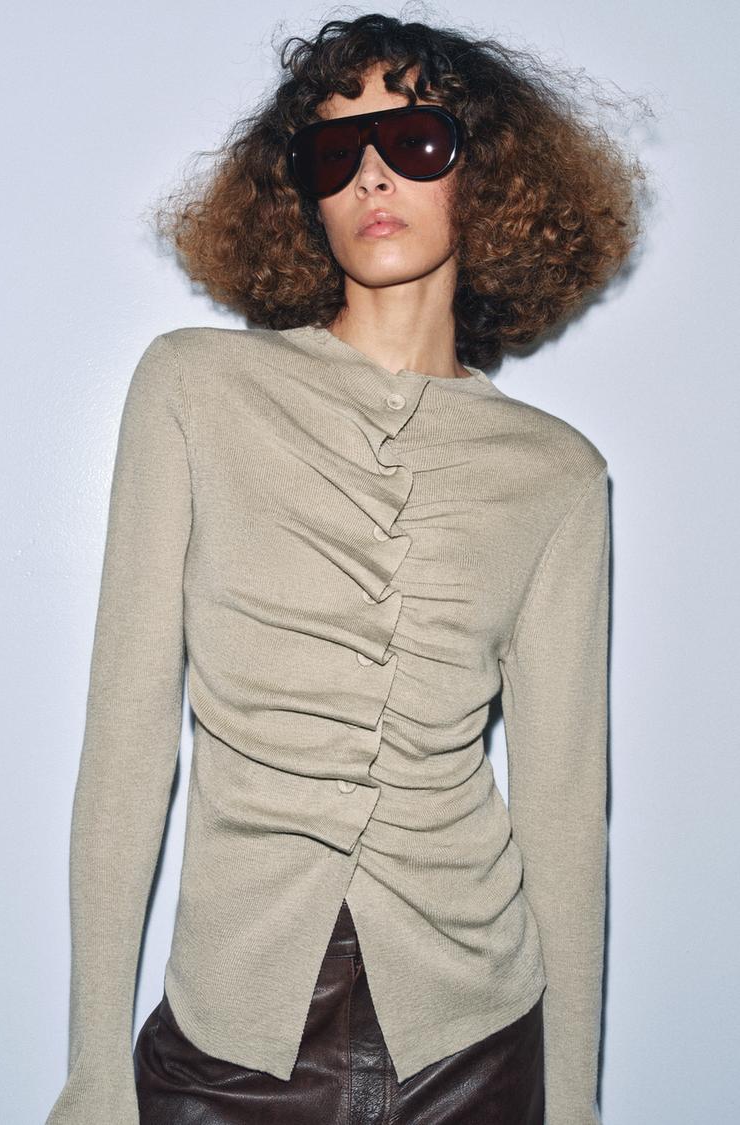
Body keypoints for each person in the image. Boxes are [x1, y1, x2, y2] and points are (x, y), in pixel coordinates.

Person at [44, 12, 650, 1125]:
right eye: (336, 152)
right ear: (306, 197)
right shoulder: (193, 389)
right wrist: (93, 1068)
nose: (373, 174)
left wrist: (572, 1107)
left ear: (485, 175)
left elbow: (565, 813)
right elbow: (126, 739)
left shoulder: (559, 476)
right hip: (228, 1043)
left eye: (415, 140)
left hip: (478, 1044)